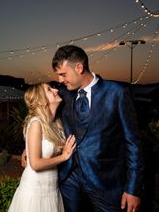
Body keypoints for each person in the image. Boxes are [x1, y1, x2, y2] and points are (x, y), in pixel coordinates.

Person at [51, 45, 144, 212]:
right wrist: (29, 145)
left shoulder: (117, 92)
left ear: (79, 67)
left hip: (105, 180)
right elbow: (40, 113)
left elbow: (133, 143)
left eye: (63, 74)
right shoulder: (63, 94)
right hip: (69, 178)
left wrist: (133, 188)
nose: (60, 80)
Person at [8, 83, 76, 212]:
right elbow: (35, 164)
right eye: (49, 90)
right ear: (41, 100)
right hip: (34, 191)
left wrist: (27, 149)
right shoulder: (36, 123)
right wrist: (64, 156)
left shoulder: (56, 123)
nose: (56, 90)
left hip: (52, 189)